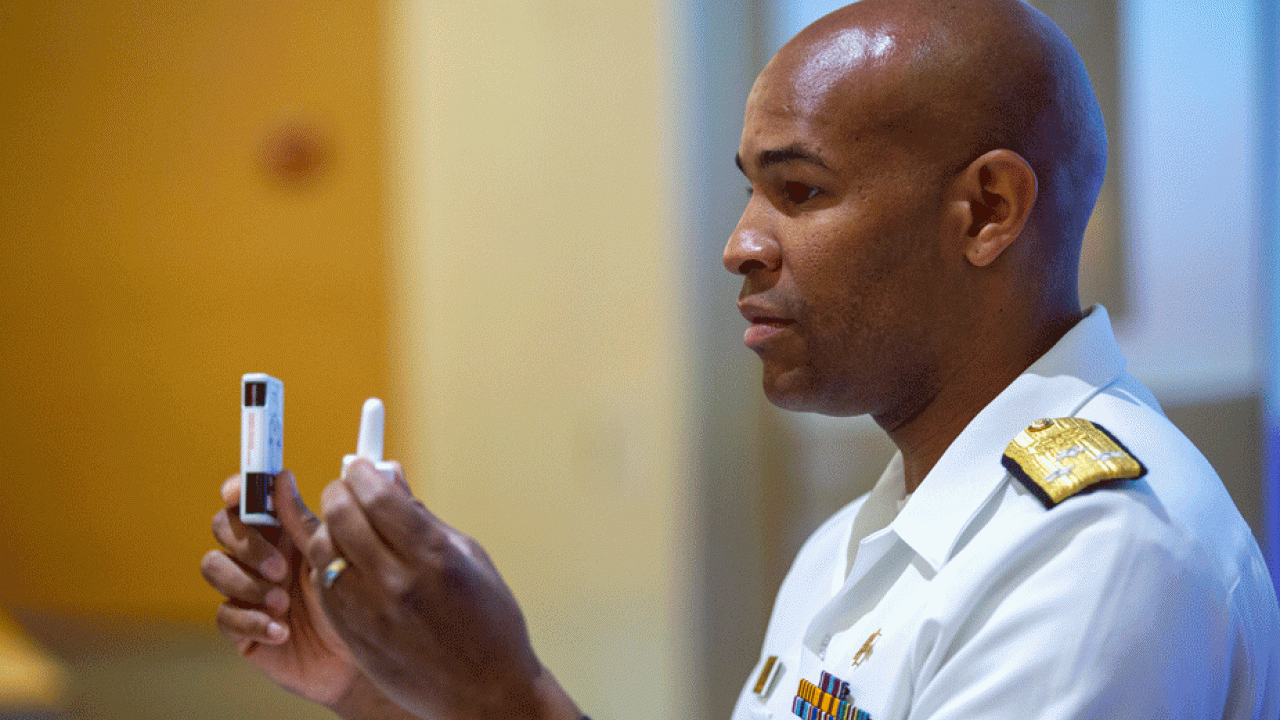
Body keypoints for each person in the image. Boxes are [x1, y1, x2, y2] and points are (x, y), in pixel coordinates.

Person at [201, 0, 1280, 718]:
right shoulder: (863, 543)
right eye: (749, 189)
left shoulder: (1097, 559)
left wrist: (503, 694)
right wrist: (380, 680)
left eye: (799, 191)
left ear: (986, 210)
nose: (739, 244)